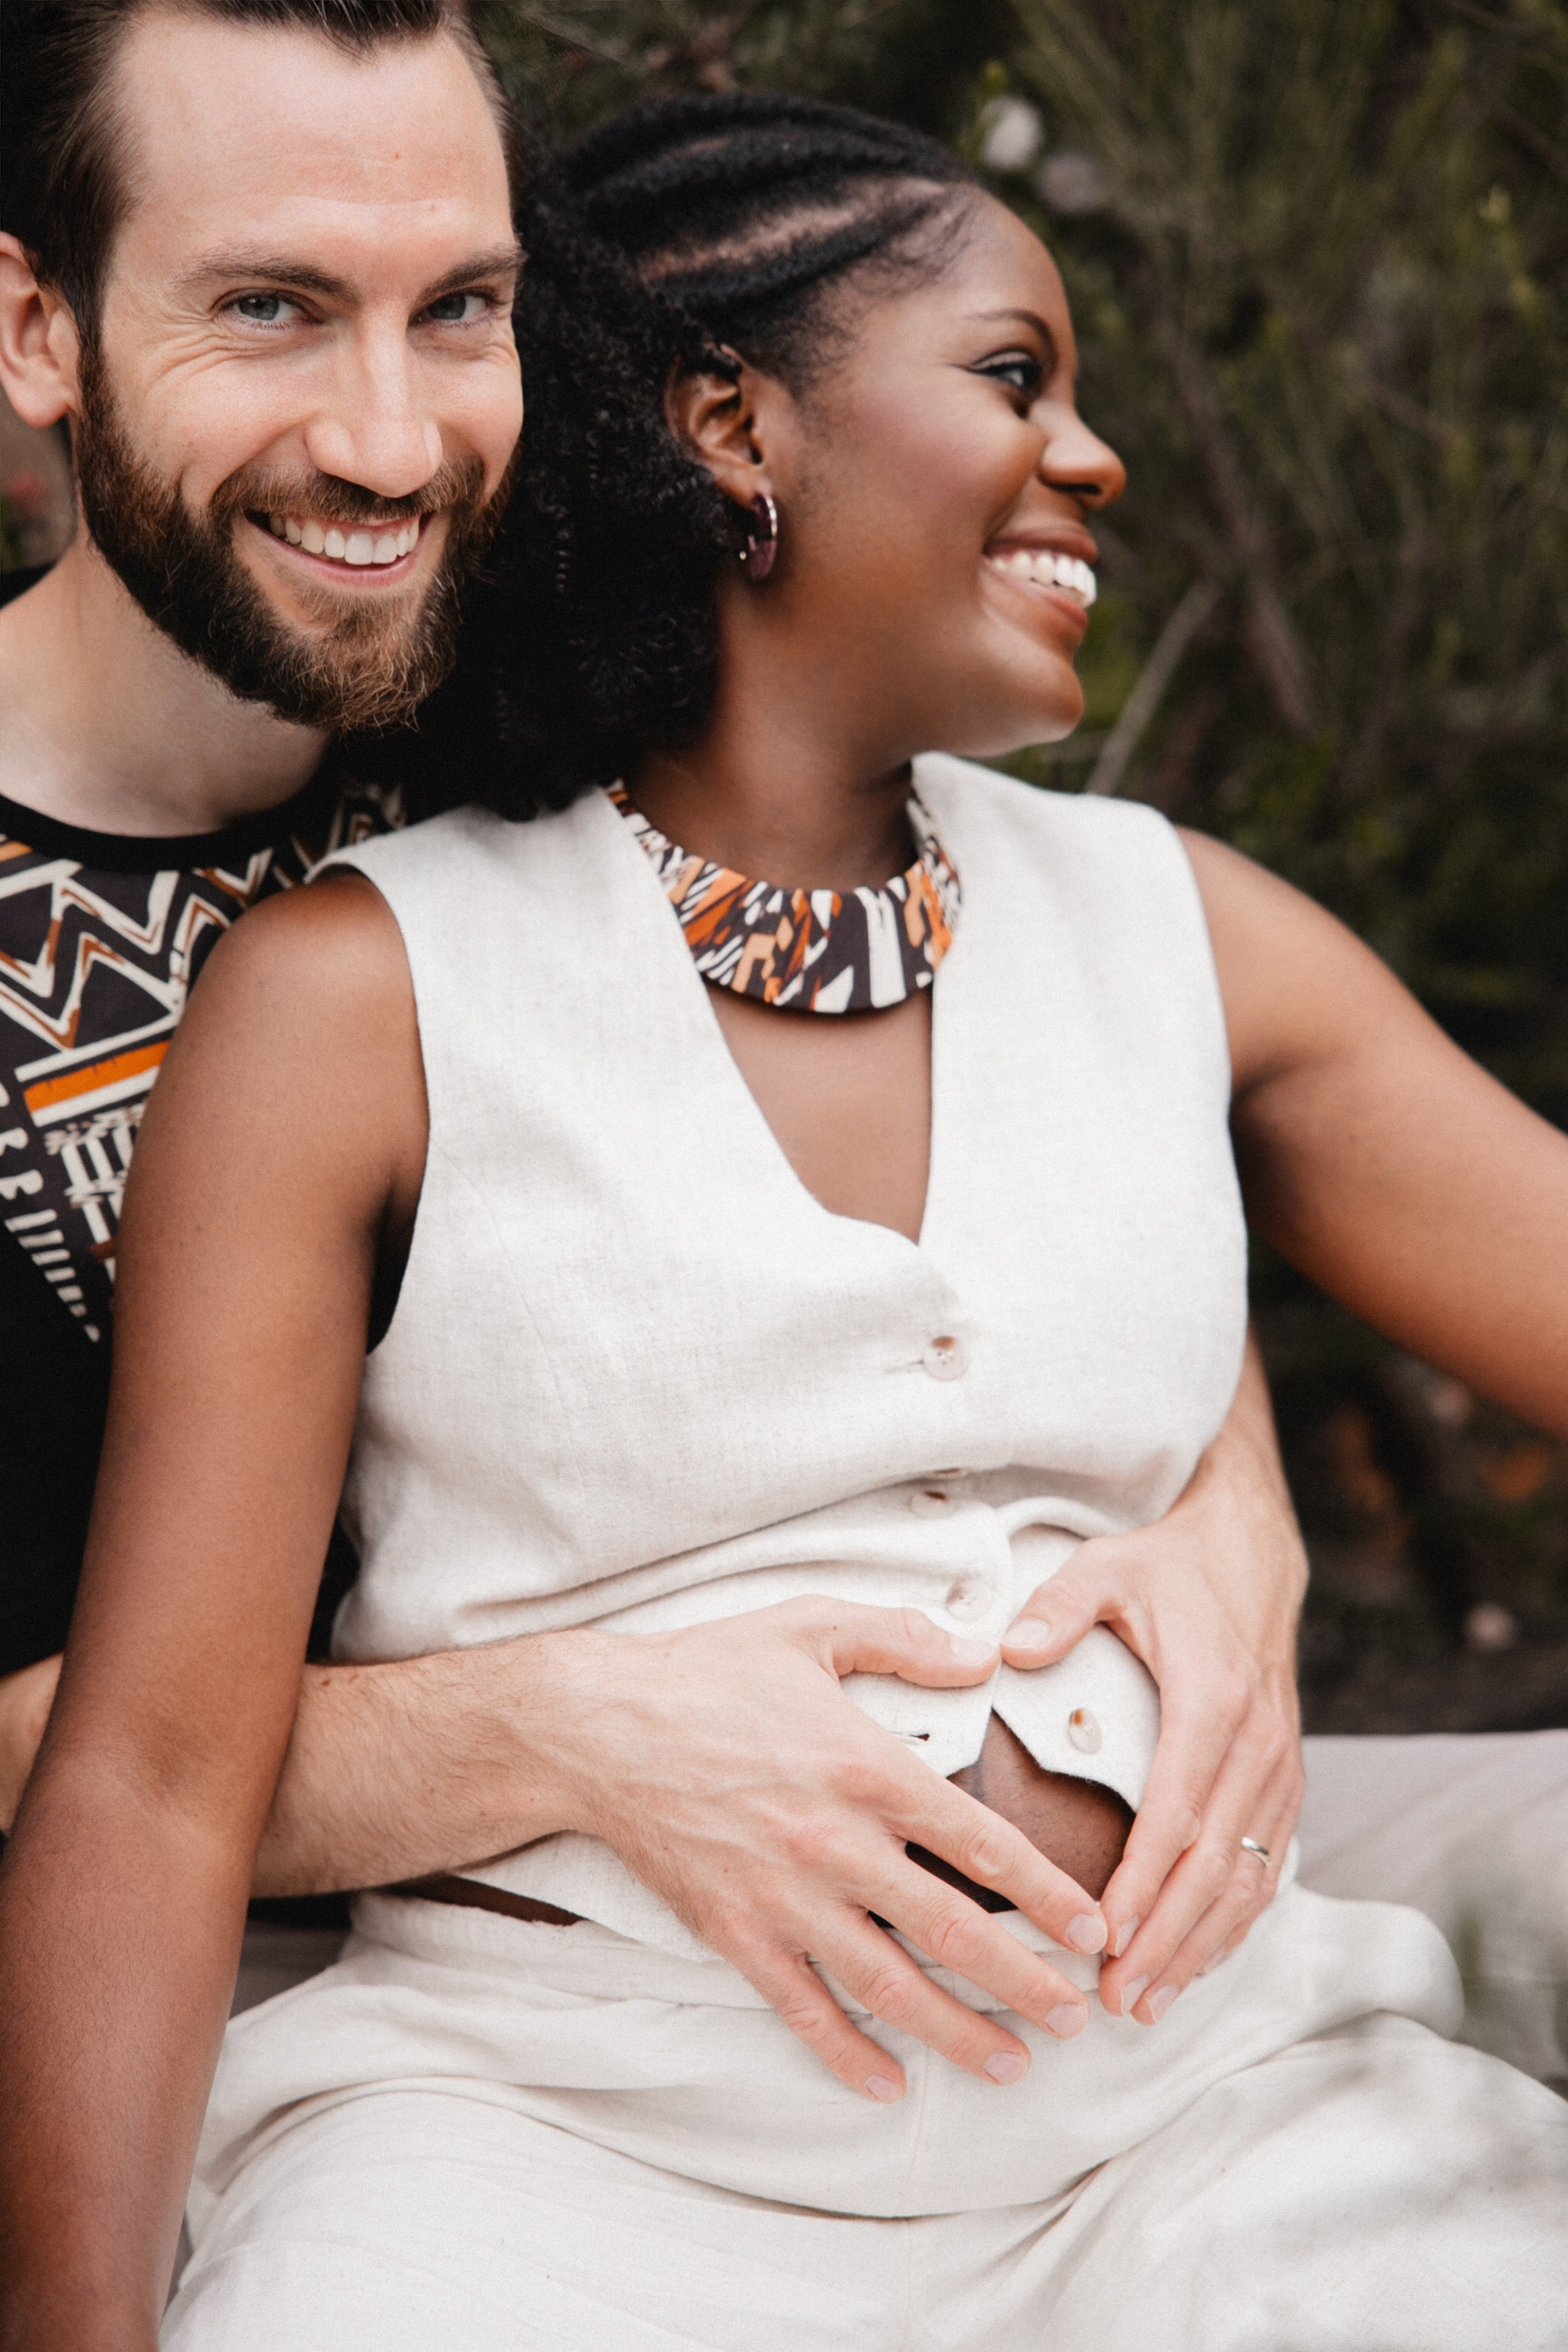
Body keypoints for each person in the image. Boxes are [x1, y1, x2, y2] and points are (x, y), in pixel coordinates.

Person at [4, 83, 1567, 2347]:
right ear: (725, 422)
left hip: (1196, 2101)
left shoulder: (1164, 924)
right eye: (1015, 377)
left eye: (459, 314)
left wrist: (1240, 1507)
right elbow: (134, 1769)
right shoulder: (366, 974)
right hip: (558, 2137)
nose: (391, 432)